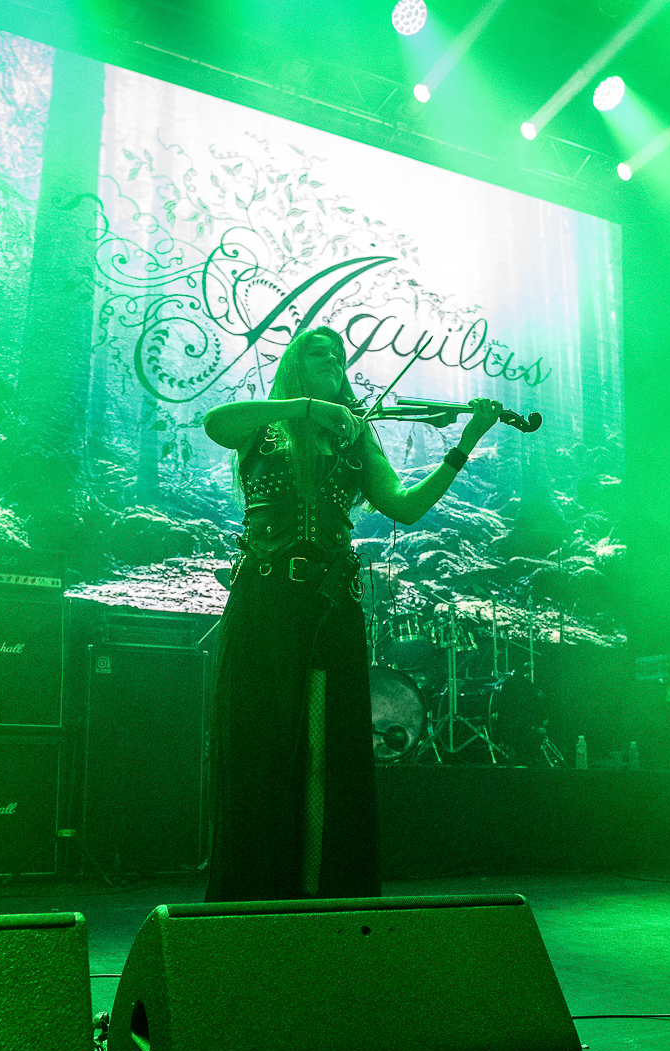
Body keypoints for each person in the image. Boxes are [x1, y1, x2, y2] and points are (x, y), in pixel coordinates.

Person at [202, 326, 503, 901]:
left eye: (339, 358)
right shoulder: (264, 423)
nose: (333, 363)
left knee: (329, 744)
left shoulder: (356, 435)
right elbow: (217, 423)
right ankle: (255, 889)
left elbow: (405, 506)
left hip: (332, 601)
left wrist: (463, 444)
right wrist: (305, 407)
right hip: (266, 598)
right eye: (319, 354)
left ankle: (323, 889)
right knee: (261, 739)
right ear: (296, 365)